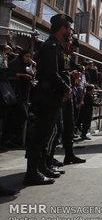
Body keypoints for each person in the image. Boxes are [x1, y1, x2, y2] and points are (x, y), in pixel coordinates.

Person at [23, 14, 73, 186]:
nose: (71, 32)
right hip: (46, 98)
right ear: (62, 29)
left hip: (51, 97)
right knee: (39, 135)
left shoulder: (56, 46)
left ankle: (42, 167)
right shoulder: (51, 46)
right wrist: (66, 88)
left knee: (46, 134)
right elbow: (52, 74)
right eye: (69, 29)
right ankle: (32, 172)